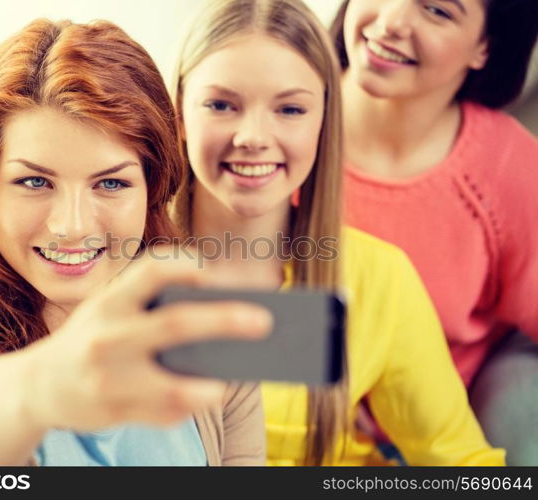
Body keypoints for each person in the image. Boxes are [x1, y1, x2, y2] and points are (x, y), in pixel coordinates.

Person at [0, 18, 272, 466]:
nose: (71, 225)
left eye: (110, 184)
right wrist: (45, 384)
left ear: (150, 191)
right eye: (34, 181)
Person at [171, 0, 504, 465]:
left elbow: (463, 464)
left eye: (289, 109)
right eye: (221, 105)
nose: (252, 136)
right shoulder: (115, 264)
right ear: (180, 113)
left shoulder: (379, 278)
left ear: (324, 120)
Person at [331, 0, 538, 464]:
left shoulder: (508, 168)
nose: (391, 22)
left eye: (438, 11)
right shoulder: (274, 125)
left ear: (485, 47)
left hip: (427, 441)